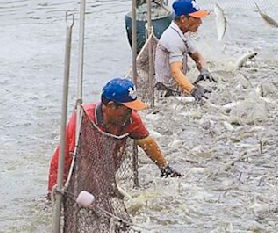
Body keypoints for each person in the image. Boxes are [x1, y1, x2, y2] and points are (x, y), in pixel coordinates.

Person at [48, 78, 181, 194]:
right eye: (127, 108)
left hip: (103, 166)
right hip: (68, 169)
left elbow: (146, 142)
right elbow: (81, 161)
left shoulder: (129, 118)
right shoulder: (84, 120)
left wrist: (164, 167)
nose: (131, 113)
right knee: (62, 206)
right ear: (111, 106)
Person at [154, 0, 216, 101]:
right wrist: (193, 91)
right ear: (183, 19)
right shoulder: (172, 38)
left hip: (178, 86)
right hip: (167, 92)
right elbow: (176, 71)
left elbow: (197, 56)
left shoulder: (183, 33)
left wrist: (204, 69)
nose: (200, 22)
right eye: (196, 18)